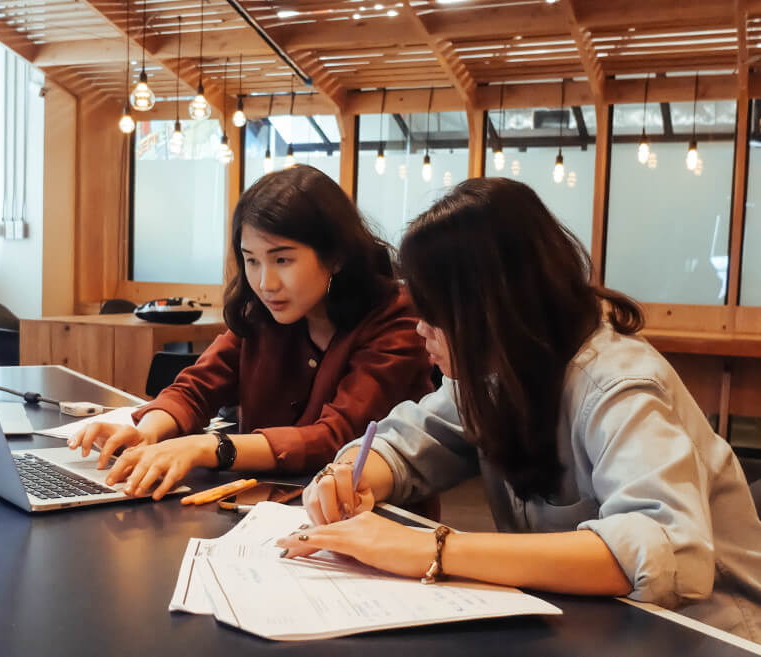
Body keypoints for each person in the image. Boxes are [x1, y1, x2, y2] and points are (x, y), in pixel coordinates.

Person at [277, 177, 761, 641]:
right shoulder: (495, 369)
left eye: (434, 314)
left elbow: (665, 550)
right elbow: (414, 439)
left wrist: (433, 548)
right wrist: (351, 476)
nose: (419, 329)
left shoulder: (617, 385)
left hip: (705, 632)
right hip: (582, 624)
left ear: (489, 307)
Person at [69, 165, 434, 500]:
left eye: (282, 260)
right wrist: (149, 430)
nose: (265, 282)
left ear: (335, 256)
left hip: (372, 520)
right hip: (261, 511)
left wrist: (209, 447)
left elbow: (336, 437)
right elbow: (197, 387)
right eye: (251, 260)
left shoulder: (396, 317)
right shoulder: (259, 313)